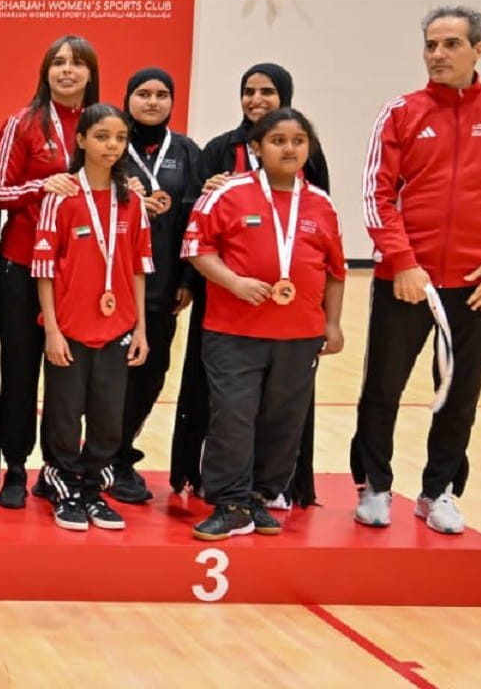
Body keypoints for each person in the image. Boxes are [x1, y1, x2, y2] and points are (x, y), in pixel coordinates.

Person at [352, 6, 481, 535]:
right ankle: (374, 485)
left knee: (460, 393)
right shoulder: (401, 113)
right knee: (382, 388)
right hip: (406, 282)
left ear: (479, 49)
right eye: (431, 44)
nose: (438, 54)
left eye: (451, 44)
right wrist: (404, 263)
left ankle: (439, 492)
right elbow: (377, 195)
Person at [182, 108, 346, 540]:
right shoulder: (227, 193)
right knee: (233, 415)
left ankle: (259, 496)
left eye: (298, 141)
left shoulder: (322, 203)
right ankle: (230, 500)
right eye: (277, 140)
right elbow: (197, 248)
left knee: (283, 419)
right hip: (234, 332)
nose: (289, 148)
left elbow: (335, 270)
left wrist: (333, 324)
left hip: (299, 334)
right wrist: (234, 282)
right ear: (256, 147)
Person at [172, 62, 326, 505]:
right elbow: (193, 219)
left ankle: (278, 485)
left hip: (291, 309)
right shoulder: (220, 148)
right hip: (224, 294)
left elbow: (322, 225)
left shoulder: (309, 157)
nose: (257, 100)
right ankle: (212, 480)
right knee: (223, 397)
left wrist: (327, 320)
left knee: (286, 402)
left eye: (268, 92)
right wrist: (188, 280)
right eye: (249, 91)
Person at [0, 35, 99, 509]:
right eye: (58, 63)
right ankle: (15, 465)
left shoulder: (101, 124)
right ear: (45, 71)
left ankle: (59, 468)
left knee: (70, 377)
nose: (67, 71)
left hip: (79, 272)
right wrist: (42, 185)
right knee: (19, 370)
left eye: (77, 64)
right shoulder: (24, 122)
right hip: (22, 265)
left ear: (91, 73)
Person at [32, 104, 151, 532]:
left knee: (107, 414)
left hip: (117, 328)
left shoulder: (133, 200)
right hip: (69, 328)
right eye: (102, 136)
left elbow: (139, 266)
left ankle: (90, 489)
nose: (112, 146)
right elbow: (44, 270)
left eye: (120, 138)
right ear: (82, 140)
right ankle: (61, 481)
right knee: (64, 413)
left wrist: (140, 326)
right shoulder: (61, 197)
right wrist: (52, 330)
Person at [110, 68, 202, 503]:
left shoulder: (187, 153)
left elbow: (195, 222)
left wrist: (187, 278)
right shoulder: (110, 144)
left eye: (162, 94)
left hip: (163, 288)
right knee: (108, 376)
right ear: (128, 98)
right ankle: (99, 457)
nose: (152, 102)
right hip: (109, 287)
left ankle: (121, 454)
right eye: (143, 93)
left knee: (150, 376)